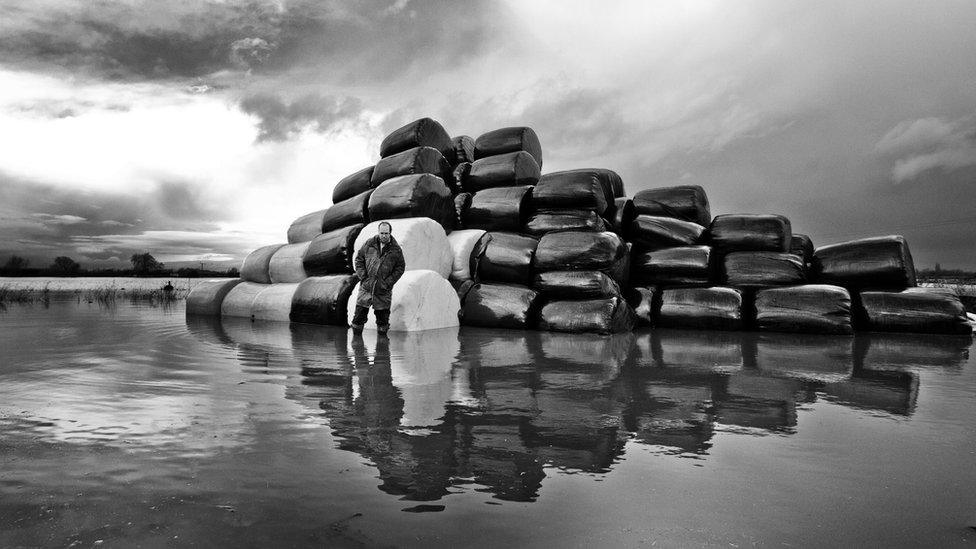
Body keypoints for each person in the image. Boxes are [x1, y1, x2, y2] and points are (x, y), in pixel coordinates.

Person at [352, 221, 405, 333]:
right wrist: (363, 277)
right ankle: (357, 347)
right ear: (378, 232)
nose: (384, 235)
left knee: (383, 323)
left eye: (386, 233)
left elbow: (400, 268)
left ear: (390, 233)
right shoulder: (369, 244)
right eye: (382, 233)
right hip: (366, 288)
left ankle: (382, 348)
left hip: (383, 291)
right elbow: (359, 260)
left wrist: (388, 283)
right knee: (357, 320)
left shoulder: (396, 250)